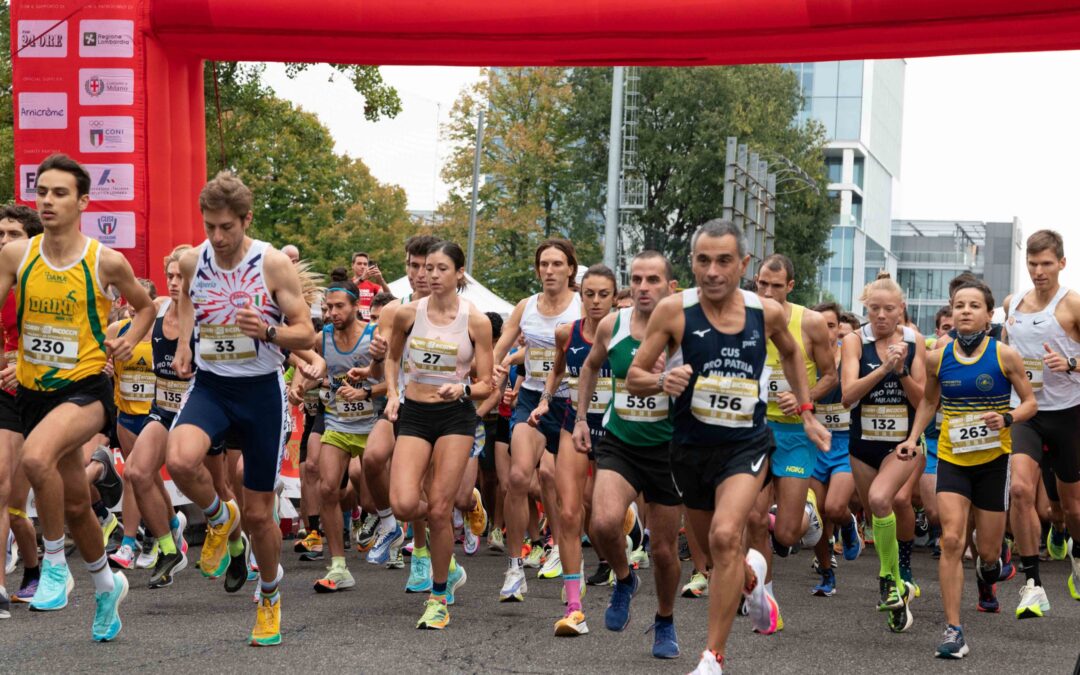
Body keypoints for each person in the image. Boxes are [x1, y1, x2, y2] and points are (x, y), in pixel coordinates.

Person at [627, 220, 829, 674]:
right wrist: (662, 379)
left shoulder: (766, 312)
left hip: (747, 445)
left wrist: (806, 410)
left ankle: (711, 657)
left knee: (724, 535)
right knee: (716, 560)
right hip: (689, 449)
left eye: (723, 261)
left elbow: (795, 354)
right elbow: (635, 378)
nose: (713, 271)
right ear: (692, 263)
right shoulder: (673, 312)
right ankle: (751, 579)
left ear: (743, 265)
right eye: (703, 260)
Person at [0, 154, 155, 640]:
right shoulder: (16, 255)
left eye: (59, 192)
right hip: (32, 391)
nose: (47, 200)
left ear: (83, 201)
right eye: (41, 191)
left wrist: (129, 338)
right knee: (72, 506)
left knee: (35, 457)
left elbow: (147, 306)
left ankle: (53, 566)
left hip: (87, 391)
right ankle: (107, 587)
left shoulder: (104, 260)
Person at [166, 171, 316, 646]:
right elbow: (188, 303)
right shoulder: (194, 260)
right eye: (209, 225)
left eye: (226, 227)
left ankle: (269, 594)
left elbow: (307, 334)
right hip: (212, 385)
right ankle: (216, 516)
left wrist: (268, 332)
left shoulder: (271, 264)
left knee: (258, 514)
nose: (217, 237)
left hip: (260, 393)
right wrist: (187, 344)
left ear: (246, 220)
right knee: (179, 459)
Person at [900, 278, 1035, 657]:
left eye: (973, 305)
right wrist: (913, 437)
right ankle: (953, 630)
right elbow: (929, 402)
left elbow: (1030, 404)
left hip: (993, 461)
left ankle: (988, 572)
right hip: (953, 459)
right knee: (953, 540)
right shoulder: (936, 357)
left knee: (988, 552)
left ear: (988, 315)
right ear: (951, 310)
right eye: (959, 305)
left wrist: (1006, 419)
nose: (965, 311)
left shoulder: (1005, 355)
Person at [571, 252, 683, 657]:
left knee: (665, 550)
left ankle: (665, 621)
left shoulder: (685, 332)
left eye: (653, 279)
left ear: (671, 287)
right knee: (601, 523)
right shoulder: (612, 325)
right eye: (636, 279)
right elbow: (589, 368)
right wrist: (582, 418)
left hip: (668, 450)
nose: (643, 287)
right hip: (620, 441)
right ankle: (624, 577)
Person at [383, 241, 494, 629]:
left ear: (459, 273)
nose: (430, 275)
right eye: (427, 268)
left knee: (438, 510)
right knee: (402, 504)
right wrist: (394, 394)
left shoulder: (476, 321)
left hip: (455, 417)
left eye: (441, 268)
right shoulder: (407, 314)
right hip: (414, 413)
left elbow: (486, 385)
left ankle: (439, 594)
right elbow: (393, 357)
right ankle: (448, 562)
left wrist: (462, 389)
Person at [528, 263, 617, 637]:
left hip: (616, 429)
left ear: (615, 297)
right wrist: (546, 400)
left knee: (601, 517)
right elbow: (558, 370)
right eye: (589, 294)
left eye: (604, 295)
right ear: (581, 296)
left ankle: (622, 563)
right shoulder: (568, 332)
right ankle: (574, 607)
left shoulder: (629, 334)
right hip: (574, 423)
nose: (596, 301)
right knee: (567, 512)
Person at [492, 239, 581, 602]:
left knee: (566, 486)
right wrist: (495, 370)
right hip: (530, 399)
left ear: (570, 269)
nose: (549, 270)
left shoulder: (581, 306)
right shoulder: (526, 306)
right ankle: (515, 568)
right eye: (543, 264)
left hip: (572, 402)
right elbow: (501, 346)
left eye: (557, 264)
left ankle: (566, 551)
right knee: (517, 477)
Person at [1000, 229, 1080, 617]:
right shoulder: (1012, 303)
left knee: (1072, 509)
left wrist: (1070, 364)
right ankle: (1032, 584)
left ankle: (1076, 556)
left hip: (1068, 412)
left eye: (1047, 263)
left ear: (1061, 263)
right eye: (1032, 264)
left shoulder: (1074, 305)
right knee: (1019, 489)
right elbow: (1003, 350)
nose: (1039, 271)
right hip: (1026, 411)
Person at [841, 272, 926, 633]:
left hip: (903, 444)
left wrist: (902, 370)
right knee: (876, 510)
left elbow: (924, 400)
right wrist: (883, 370)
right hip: (862, 444)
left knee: (881, 499)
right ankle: (896, 585)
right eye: (874, 309)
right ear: (866, 309)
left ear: (900, 310)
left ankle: (891, 577)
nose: (880, 316)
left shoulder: (914, 340)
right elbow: (847, 395)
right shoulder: (853, 342)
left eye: (888, 309)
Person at [752, 255, 836, 595]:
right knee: (754, 519)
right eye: (762, 284)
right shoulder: (741, 318)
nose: (768, 292)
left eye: (776, 285)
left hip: (795, 432)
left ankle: (809, 510)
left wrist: (807, 399)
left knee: (786, 534)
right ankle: (763, 595)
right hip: (754, 431)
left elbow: (831, 375)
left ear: (790, 286)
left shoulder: (811, 322)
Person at [365, 234, 440, 592]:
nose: (418, 274)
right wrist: (378, 356)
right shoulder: (395, 310)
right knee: (373, 458)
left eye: (426, 267)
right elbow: (379, 373)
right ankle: (389, 523)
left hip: (440, 408)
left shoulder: (456, 311)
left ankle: (424, 555)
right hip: (400, 403)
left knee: (426, 487)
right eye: (412, 266)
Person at [305, 276, 385, 592]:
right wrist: (304, 380)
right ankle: (338, 565)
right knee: (326, 488)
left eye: (339, 306)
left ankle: (386, 521)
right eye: (328, 307)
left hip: (371, 426)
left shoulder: (373, 338)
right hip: (337, 424)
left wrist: (363, 393)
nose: (333, 312)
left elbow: (392, 383)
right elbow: (299, 352)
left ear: (356, 306)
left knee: (370, 499)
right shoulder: (322, 337)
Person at [122, 246, 195, 589]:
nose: (176, 282)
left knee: (223, 487)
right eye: (171, 276)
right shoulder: (157, 310)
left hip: (199, 414)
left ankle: (241, 545)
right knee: (137, 471)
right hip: (163, 409)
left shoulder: (205, 317)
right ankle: (169, 547)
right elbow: (128, 335)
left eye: (183, 276)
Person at [0, 204, 43, 616]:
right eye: (0, 235)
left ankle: (36, 568)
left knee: (16, 507)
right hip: (4, 393)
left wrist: (23, 366)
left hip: (42, 394)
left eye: (12, 234)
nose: (4, 242)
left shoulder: (45, 283)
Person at [807, 302, 862, 597]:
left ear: (839, 328)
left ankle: (849, 523)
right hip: (815, 444)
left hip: (845, 443)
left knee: (834, 508)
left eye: (830, 325)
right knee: (816, 516)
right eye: (819, 325)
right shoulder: (804, 356)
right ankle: (827, 573)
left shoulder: (850, 356)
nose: (825, 331)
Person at [105, 280, 159, 571]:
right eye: (129, 301)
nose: (131, 307)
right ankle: (142, 538)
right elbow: (100, 359)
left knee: (141, 477)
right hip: (126, 414)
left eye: (139, 302)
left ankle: (145, 537)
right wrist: (106, 366)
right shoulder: (118, 330)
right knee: (135, 478)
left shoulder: (162, 334)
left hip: (154, 416)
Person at [351, 252, 391, 322]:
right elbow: (345, 290)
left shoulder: (372, 286)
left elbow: (389, 296)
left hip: (369, 324)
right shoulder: (347, 283)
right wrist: (361, 279)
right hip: (353, 323)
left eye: (365, 264)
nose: (362, 266)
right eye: (359, 263)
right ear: (352, 265)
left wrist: (381, 279)